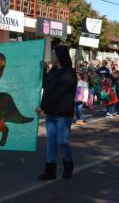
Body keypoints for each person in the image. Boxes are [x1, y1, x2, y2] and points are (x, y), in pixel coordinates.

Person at [36, 45, 77, 180]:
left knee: (62, 142)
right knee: (51, 143)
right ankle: (50, 171)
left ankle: (68, 165)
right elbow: (45, 86)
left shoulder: (69, 73)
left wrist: (42, 107)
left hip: (63, 114)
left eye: (53, 55)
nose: (51, 57)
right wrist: (42, 71)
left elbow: (57, 93)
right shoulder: (53, 71)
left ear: (59, 56)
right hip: (51, 114)